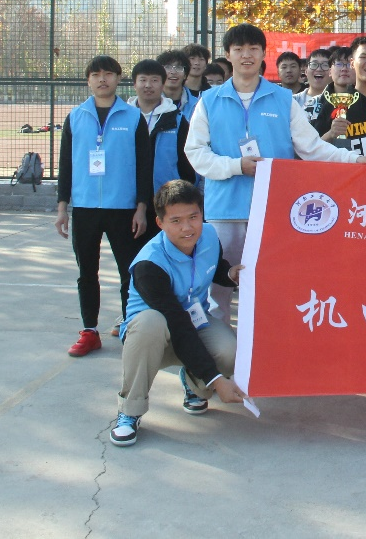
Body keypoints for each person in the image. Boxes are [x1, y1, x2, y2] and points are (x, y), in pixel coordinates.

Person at [185, 24, 366, 323]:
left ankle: (266, 344)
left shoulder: (283, 99)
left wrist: (352, 159)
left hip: (273, 210)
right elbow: (195, 152)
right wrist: (236, 166)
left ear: (263, 54)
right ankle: (218, 346)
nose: (246, 55)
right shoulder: (209, 101)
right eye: (239, 49)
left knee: (272, 283)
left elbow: (312, 148)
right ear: (228, 55)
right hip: (225, 210)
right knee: (219, 288)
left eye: (253, 49)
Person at [110, 180, 246, 447]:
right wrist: (217, 381)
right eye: (176, 221)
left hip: (194, 323)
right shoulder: (149, 265)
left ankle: (194, 384)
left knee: (230, 352)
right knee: (151, 322)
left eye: (193, 217)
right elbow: (176, 322)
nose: (187, 228)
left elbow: (215, 267)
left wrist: (230, 274)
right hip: (152, 338)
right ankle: (130, 411)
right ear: (160, 223)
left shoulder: (209, 235)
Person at [56, 56, 153, 358]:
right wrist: (62, 207)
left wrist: (141, 207)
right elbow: (65, 165)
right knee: (87, 272)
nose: (102, 79)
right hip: (85, 207)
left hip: (123, 208)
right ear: (88, 80)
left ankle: (129, 327)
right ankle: (89, 331)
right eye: (96, 74)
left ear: (118, 79)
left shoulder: (133, 117)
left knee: (129, 272)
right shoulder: (75, 117)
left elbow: (144, 166)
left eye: (108, 74)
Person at [128, 58, 196, 227]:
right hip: (128, 201)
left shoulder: (177, 120)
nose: (148, 85)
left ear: (162, 84)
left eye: (154, 80)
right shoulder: (123, 119)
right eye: (143, 80)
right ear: (134, 84)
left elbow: (188, 163)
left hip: (168, 202)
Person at [294, 48, 331, 123]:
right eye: (314, 64)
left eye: (325, 65)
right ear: (306, 71)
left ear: (332, 71)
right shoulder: (293, 101)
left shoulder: (342, 102)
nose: (319, 69)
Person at [157, 49, 195, 118]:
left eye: (179, 67)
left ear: (185, 75)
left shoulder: (197, 104)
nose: (173, 72)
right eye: (168, 67)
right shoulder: (150, 103)